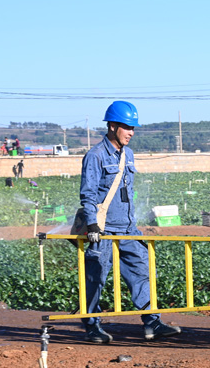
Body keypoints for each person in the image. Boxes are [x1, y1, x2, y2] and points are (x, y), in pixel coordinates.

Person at [77, 101, 182, 344]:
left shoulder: (129, 154)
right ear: (112, 126)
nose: (131, 133)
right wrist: (92, 225)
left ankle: (152, 322)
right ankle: (92, 326)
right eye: (127, 127)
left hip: (127, 228)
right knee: (96, 277)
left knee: (142, 270)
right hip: (103, 230)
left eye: (133, 128)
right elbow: (89, 194)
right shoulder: (95, 156)